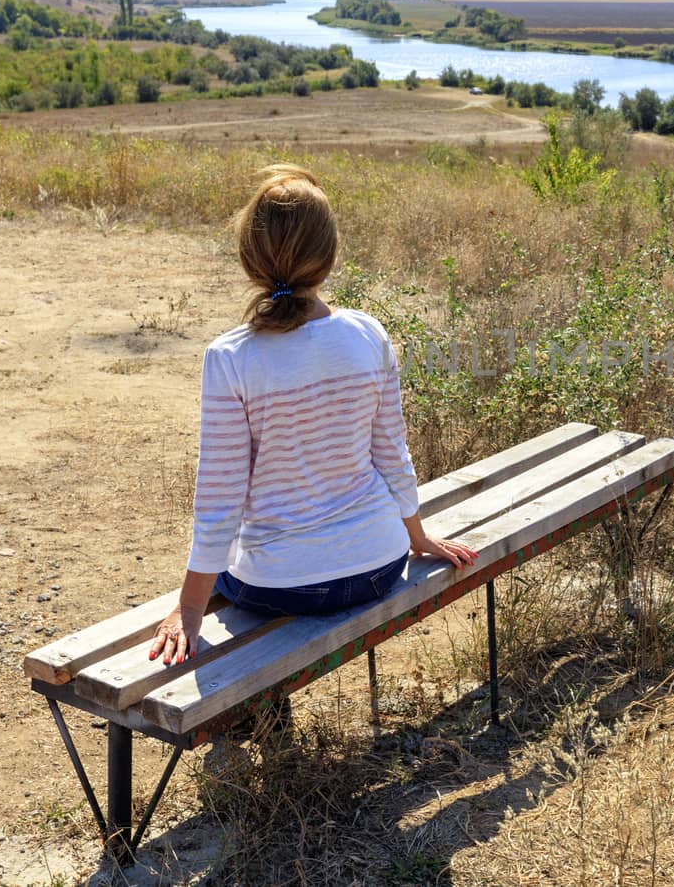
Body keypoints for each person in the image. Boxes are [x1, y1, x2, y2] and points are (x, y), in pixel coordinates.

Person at [149, 164, 478, 667]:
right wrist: (416, 537)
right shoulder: (369, 334)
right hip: (380, 565)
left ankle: (256, 724)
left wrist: (189, 608)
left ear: (249, 257)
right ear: (328, 255)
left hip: (280, 587)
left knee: (241, 574)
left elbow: (220, 498)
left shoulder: (231, 357)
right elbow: (392, 453)